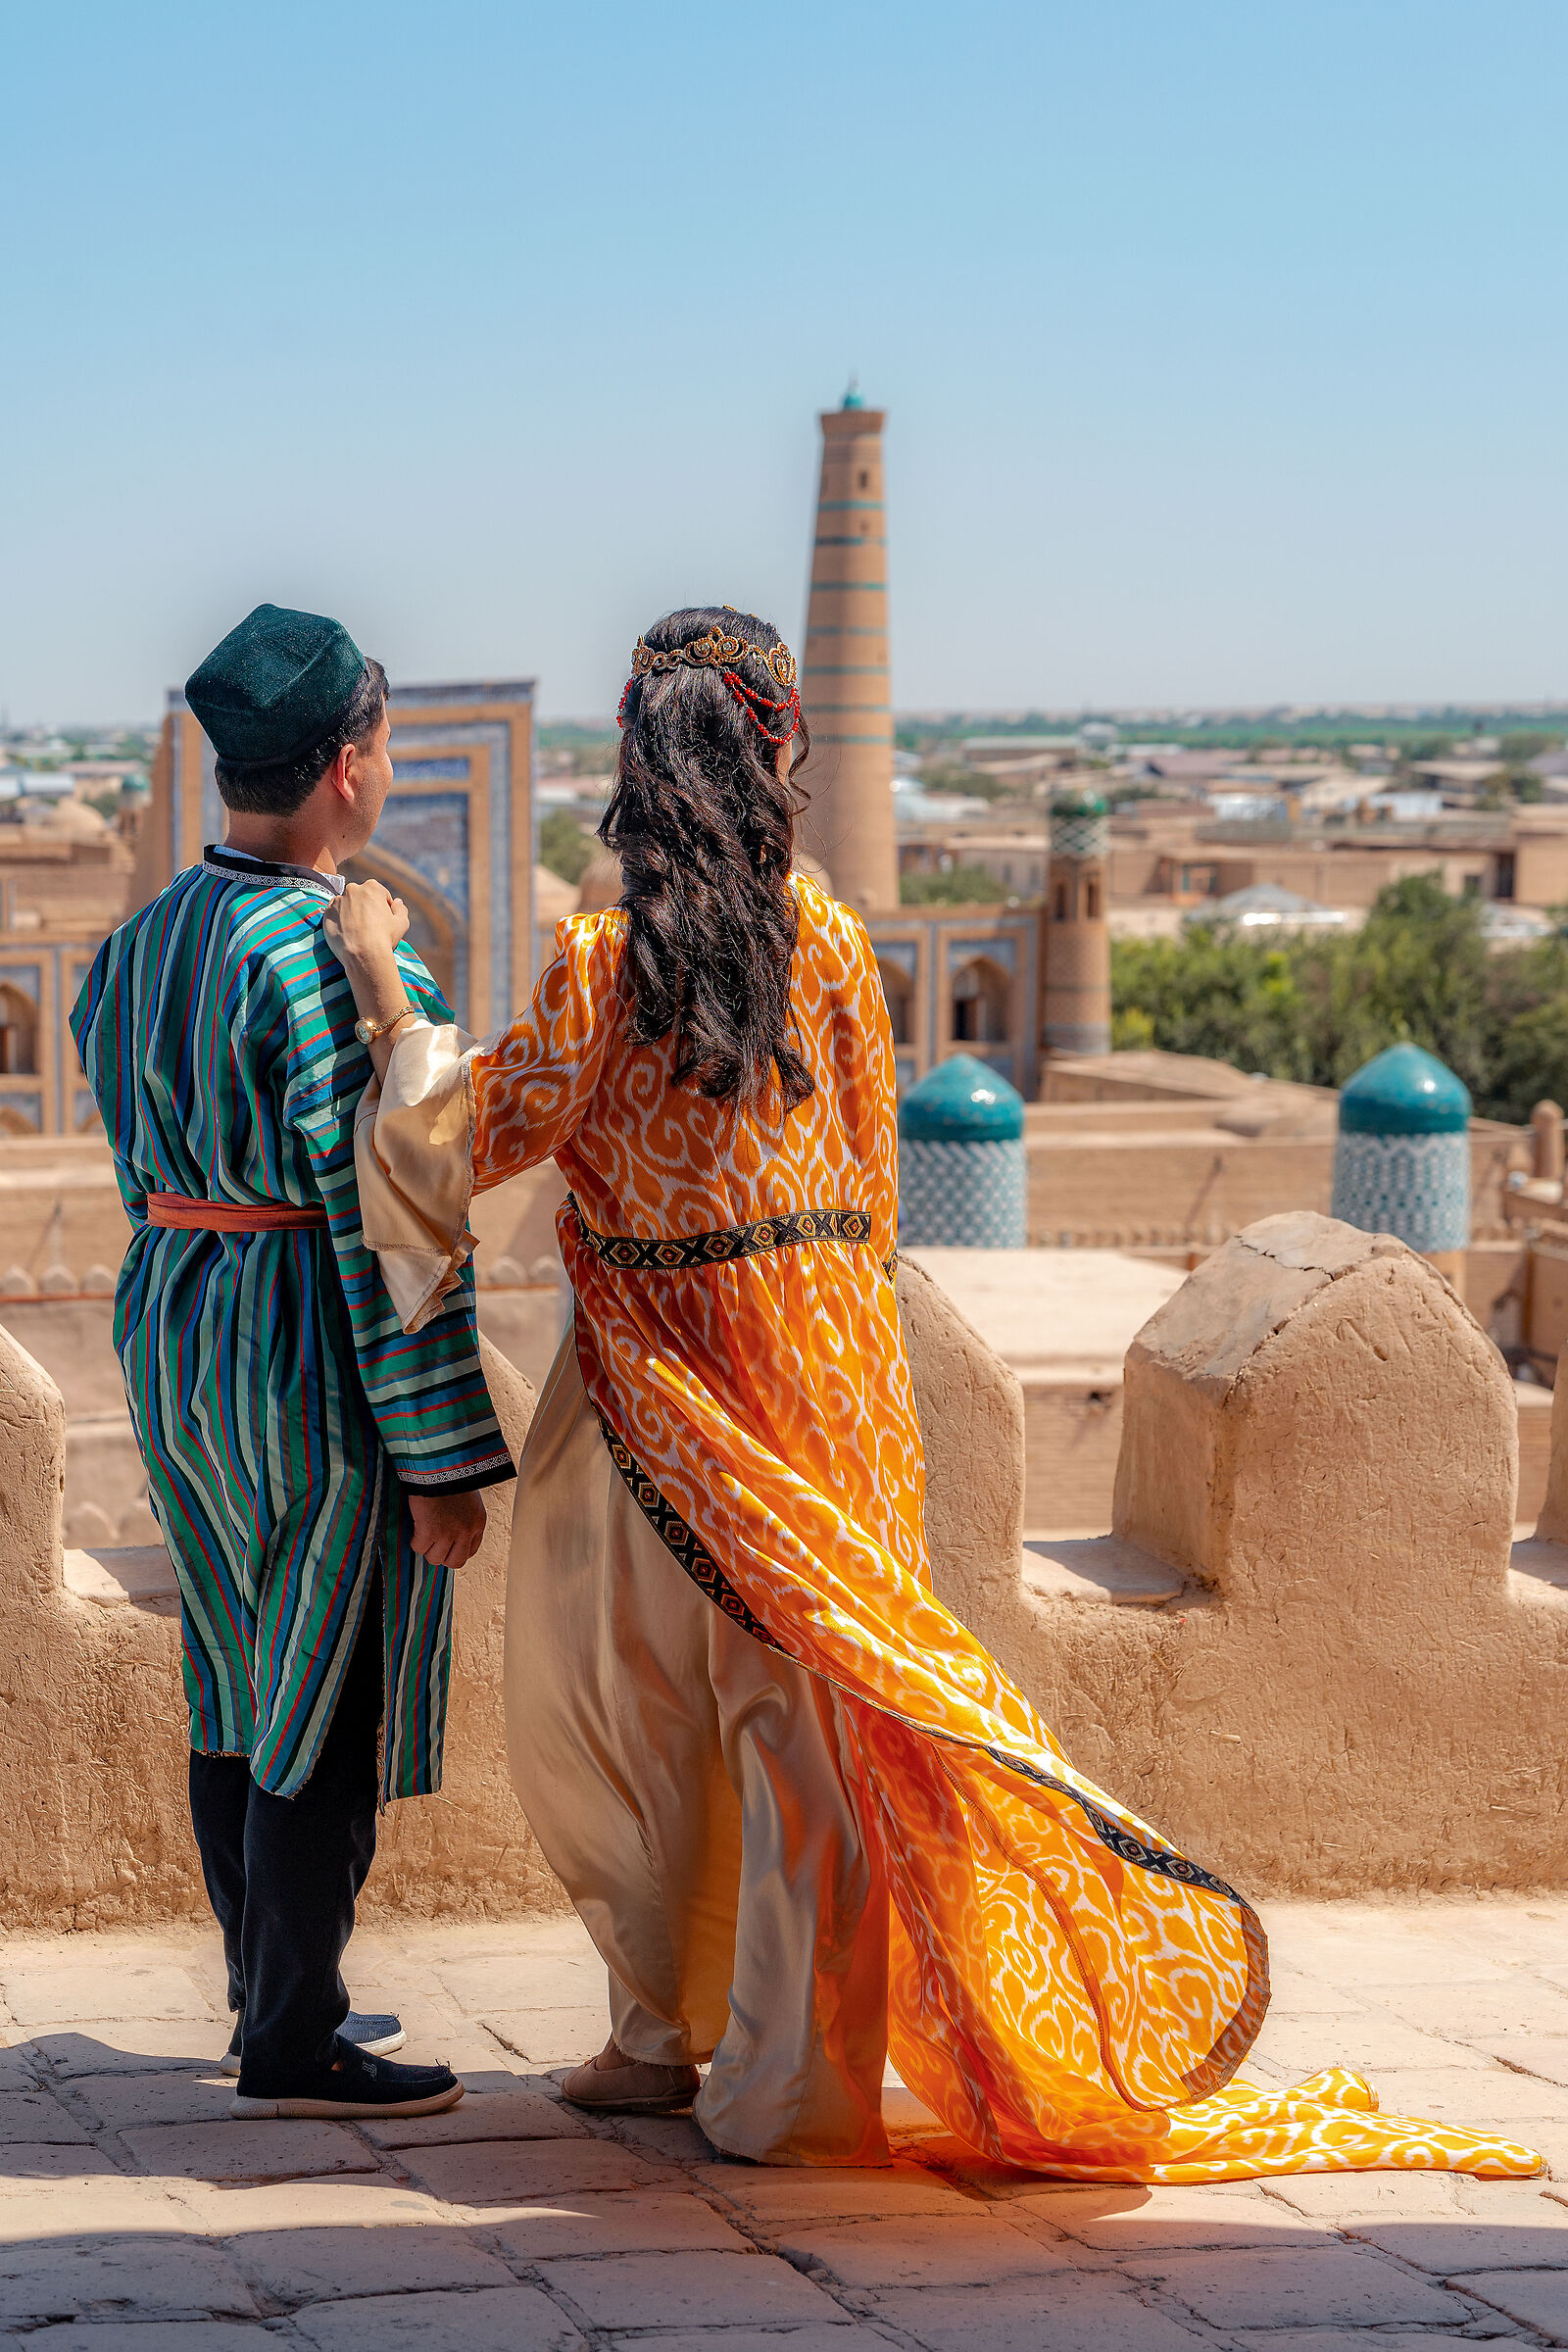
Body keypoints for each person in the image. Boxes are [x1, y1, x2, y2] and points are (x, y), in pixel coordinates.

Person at [324, 604, 1540, 2180]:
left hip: (658, 1389)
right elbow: (874, 1194)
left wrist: (387, 996)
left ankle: (656, 2038)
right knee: (804, 1733)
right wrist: (854, 1384)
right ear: (773, 755)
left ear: (637, 764)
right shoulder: (832, 944)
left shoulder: (604, 961)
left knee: (630, 1714)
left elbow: (465, 1141)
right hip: (824, 1382)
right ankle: (786, 2085)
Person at [72, 604, 515, 2122]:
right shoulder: (326, 958)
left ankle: (262, 1984)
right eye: (383, 745)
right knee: (321, 1693)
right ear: (345, 766)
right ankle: (295, 2039)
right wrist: (441, 1459)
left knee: (231, 1673)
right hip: (303, 1350)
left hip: (177, 1332)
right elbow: (405, 1218)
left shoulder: (138, 946)